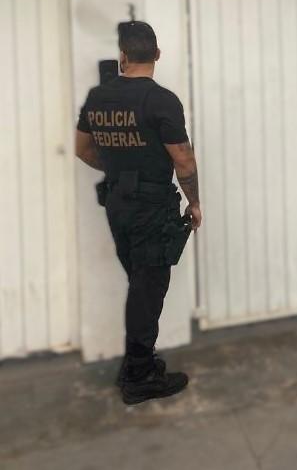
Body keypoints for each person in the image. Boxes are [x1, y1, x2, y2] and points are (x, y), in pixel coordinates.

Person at [75, 20, 202, 405]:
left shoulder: (98, 97)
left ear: (123, 56)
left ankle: (136, 362)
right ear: (157, 54)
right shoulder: (162, 101)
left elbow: (82, 149)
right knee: (148, 290)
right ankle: (140, 376)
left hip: (118, 203)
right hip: (151, 207)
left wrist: (119, 171)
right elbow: (183, 160)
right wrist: (194, 202)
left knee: (140, 284)